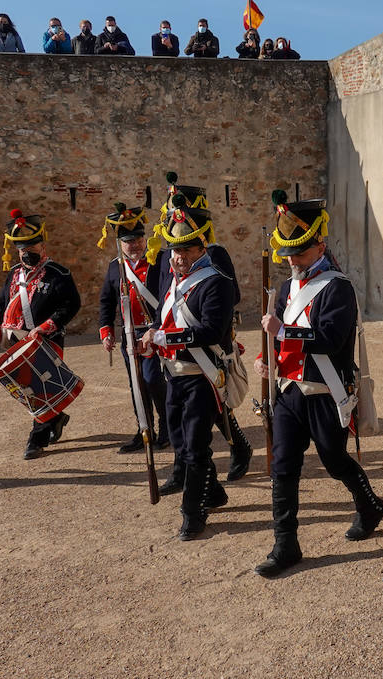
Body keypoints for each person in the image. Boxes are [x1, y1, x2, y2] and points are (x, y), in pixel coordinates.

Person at [252, 192, 383, 577]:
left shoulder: (338, 287)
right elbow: (277, 336)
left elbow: (329, 338)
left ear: (319, 245)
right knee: (284, 465)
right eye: (289, 252)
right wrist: (267, 356)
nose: (291, 259)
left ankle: (368, 505)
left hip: (326, 391)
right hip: (291, 391)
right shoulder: (288, 288)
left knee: (334, 459)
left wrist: (285, 332)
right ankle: (285, 543)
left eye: (299, 251)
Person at [139, 192, 237, 540]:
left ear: (201, 249)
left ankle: (192, 513)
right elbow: (162, 317)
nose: (177, 258)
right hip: (174, 376)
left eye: (185, 251)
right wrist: (151, 335)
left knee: (195, 447)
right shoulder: (172, 279)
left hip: (202, 376)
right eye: (174, 251)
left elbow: (211, 330)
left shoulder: (216, 282)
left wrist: (165, 339)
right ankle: (214, 493)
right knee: (180, 443)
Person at [147, 173, 252, 494]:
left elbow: (230, 295)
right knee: (182, 412)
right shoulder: (168, 254)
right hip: (172, 339)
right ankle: (183, 472)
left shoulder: (213, 254)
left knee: (215, 404)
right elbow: (163, 293)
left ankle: (239, 447)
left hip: (209, 337)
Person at [0, 210, 81, 459]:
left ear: (42, 244)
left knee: (38, 390)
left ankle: (36, 440)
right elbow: (1, 302)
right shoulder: (14, 273)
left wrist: (47, 325)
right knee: (28, 387)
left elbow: (71, 304)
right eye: (21, 247)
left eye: (31, 245)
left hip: (46, 338)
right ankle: (57, 418)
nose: (26, 251)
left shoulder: (58, 274)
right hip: (17, 339)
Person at [98, 203, 169, 454]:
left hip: (154, 331)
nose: (135, 245)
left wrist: (157, 330)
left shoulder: (159, 260)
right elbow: (107, 301)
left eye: (138, 238)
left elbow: (166, 296)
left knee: (152, 379)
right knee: (136, 384)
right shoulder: (114, 267)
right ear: (120, 243)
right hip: (130, 333)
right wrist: (106, 331)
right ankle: (144, 430)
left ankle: (166, 426)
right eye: (129, 241)